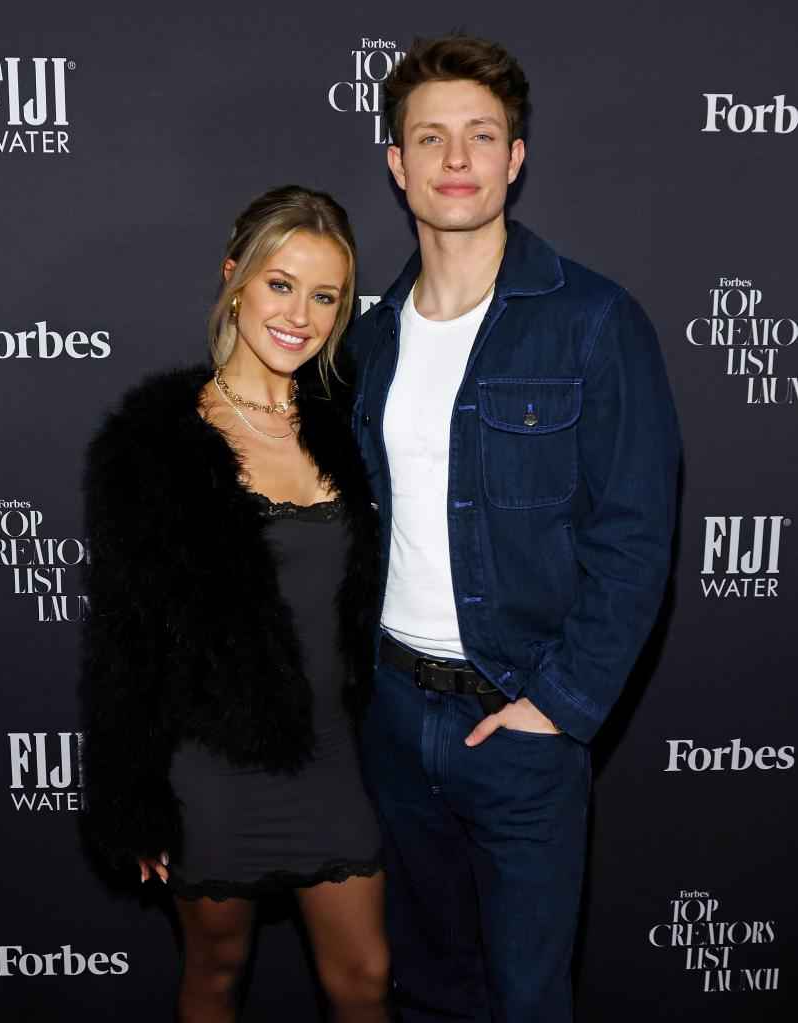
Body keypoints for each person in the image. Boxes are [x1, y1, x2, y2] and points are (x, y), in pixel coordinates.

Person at [346, 35, 681, 1022]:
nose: (457, 159)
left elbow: (635, 536)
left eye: (481, 135)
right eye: (432, 138)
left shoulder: (593, 323)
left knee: (530, 1001)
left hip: (521, 723)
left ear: (515, 156)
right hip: (394, 720)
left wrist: (558, 707)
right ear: (397, 164)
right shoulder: (366, 340)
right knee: (431, 992)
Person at [80, 185, 390, 1023]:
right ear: (235, 279)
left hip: (334, 756)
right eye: (280, 284)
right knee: (216, 972)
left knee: (364, 978)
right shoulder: (157, 443)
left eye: (325, 295)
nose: (301, 314)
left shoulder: (353, 423)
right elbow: (125, 636)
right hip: (210, 764)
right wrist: (132, 792)